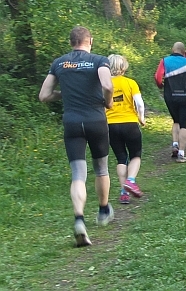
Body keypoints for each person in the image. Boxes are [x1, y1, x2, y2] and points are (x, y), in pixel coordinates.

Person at [38, 26, 115, 247]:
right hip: (96, 120)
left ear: (71, 42)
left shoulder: (59, 63)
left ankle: (79, 218)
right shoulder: (99, 60)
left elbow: (43, 95)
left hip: (72, 122)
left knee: (78, 174)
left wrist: (65, 94)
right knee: (101, 168)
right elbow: (107, 84)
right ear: (89, 41)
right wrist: (108, 102)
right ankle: (102, 210)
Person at [106, 54, 146, 205]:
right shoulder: (130, 83)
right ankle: (130, 181)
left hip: (110, 125)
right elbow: (139, 104)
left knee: (121, 158)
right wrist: (141, 118)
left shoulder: (104, 84)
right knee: (135, 155)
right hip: (129, 123)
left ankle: (124, 193)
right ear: (123, 67)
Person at [154, 42, 186, 163]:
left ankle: (175, 144)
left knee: (176, 120)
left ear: (173, 49)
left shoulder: (165, 61)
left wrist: (160, 85)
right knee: (183, 124)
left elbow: (157, 76)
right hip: (185, 95)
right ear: (183, 51)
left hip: (170, 95)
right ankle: (181, 153)